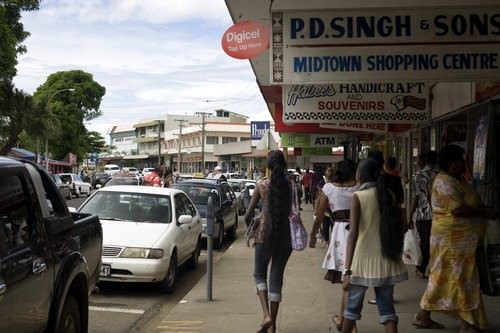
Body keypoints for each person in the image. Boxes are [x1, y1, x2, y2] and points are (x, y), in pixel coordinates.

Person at [413, 144, 497, 332]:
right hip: (452, 242)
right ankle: (467, 323)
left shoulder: (458, 179)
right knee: (460, 278)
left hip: (462, 243)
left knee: (447, 277)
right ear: (452, 163)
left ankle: (425, 315)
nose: (464, 163)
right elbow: (458, 209)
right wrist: (484, 212)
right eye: (461, 160)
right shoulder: (444, 182)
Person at [341, 158, 408, 333]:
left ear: (359, 176)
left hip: (362, 261)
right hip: (387, 259)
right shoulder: (389, 195)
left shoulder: (358, 197)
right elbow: (403, 226)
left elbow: (353, 235)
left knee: (352, 308)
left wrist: (347, 269)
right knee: (387, 310)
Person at [244, 150, 294, 333]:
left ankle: (266, 316)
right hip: (285, 235)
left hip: (264, 234)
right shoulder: (290, 185)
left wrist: (252, 229)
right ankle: (272, 327)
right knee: (276, 278)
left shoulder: (261, 185)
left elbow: (248, 215)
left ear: (268, 167)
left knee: (259, 275)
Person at [310, 160, 358, 331]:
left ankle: (346, 322)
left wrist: (313, 236)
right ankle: (343, 318)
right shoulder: (359, 188)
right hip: (358, 232)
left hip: (340, 235)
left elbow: (320, 215)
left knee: (347, 281)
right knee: (350, 279)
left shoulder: (329, 189)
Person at [407, 150, 438, 279]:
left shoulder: (418, 175)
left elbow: (416, 198)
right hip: (439, 213)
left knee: (425, 242)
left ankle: (421, 269)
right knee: (436, 242)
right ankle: (434, 269)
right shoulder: (440, 174)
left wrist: (409, 215)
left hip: (423, 214)